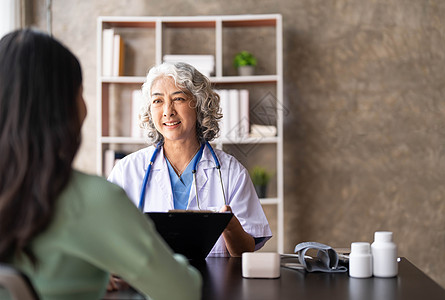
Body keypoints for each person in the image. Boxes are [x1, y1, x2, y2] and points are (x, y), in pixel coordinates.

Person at [0, 29, 201, 300]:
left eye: (178, 98)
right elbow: (183, 291)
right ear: (68, 107)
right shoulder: (93, 199)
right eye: (81, 92)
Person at [108, 62, 272, 257]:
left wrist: (229, 224)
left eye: (178, 98)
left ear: (199, 104)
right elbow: (106, 237)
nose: (168, 111)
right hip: (149, 282)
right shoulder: (127, 170)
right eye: (157, 101)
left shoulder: (231, 173)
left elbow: (246, 252)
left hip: (215, 284)